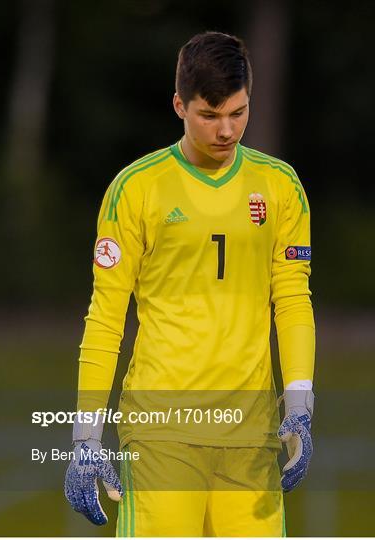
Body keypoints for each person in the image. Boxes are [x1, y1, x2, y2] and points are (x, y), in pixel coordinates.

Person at [64, 31, 315, 537]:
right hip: (162, 432)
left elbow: (291, 299)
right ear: (179, 105)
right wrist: (85, 435)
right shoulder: (136, 189)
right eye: (209, 114)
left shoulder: (280, 186)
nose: (226, 130)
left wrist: (301, 404)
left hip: (250, 432)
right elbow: (106, 316)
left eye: (239, 113)